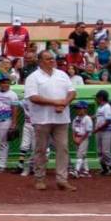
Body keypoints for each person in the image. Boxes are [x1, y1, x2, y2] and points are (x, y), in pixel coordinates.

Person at [24, 49, 77, 190]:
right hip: (42, 119)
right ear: (40, 62)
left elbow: (72, 92)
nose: (52, 60)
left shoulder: (62, 74)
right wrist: (56, 103)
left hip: (61, 118)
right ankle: (39, 179)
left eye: (52, 58)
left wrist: (64, 103)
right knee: (41, 150)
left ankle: (62, 180)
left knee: (63, 149)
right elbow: (33, 97)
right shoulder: (33, 77)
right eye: (48, 59)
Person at [93, 90, 111, 176]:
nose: (96, 99)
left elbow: (108, 121)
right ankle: (104, 168)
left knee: (105, 151)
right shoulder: (100, 107)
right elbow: (97, 116)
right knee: (99, 151)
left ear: (101, 98)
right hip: (99, 131)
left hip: (106, 131)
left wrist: (97, 129)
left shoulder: (107, 107)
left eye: (97, 97)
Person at [70, 101, 94, 178]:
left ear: (85, 109)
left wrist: (80, 140)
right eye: (77, 108)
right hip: (77, 137)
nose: (78, 110)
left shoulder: (87, 118)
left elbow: (88, 131)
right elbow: (73, 130)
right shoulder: (76, 118)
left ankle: (76, 171)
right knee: (83, 155)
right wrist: (74, 138)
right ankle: (86, 171)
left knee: (79, 154)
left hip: (84, 138)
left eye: (80, 108)